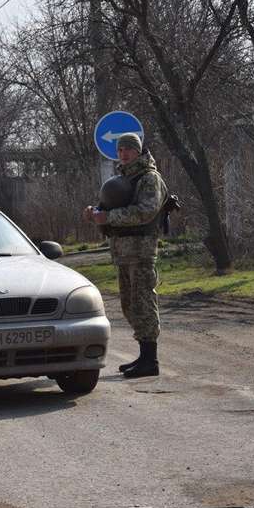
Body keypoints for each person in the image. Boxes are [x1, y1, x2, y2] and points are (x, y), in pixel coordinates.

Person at [83, 132, 167, 378]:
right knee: (130, 305)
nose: (124, 154)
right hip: (123, 252)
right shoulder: (124, 179)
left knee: (143, 304)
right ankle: (144, 355)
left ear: (138, 151)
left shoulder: (149, 178)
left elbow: (146, 212)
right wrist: (96, 213)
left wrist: (108, 217)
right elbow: (113, 208)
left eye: (128, 149)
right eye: (120, 150)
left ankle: (150, 360)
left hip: (141, 251)